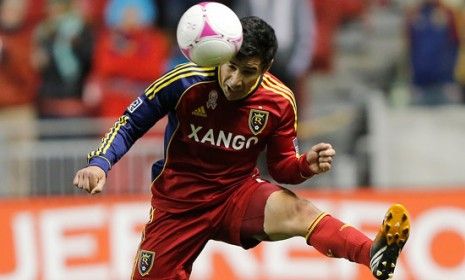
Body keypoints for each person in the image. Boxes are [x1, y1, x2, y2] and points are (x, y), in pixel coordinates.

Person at [73, 16, 410, 280]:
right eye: (231, 66)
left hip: (237, 194)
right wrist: (99, 163)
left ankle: (373, 254)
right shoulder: (185, 80)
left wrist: (305, 164)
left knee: (300, 212)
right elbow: (131, 121)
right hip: (179, 204)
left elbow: (281, 169)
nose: (235, 80)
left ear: (266, 67)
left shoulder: (278, 101)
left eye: (248, 72)